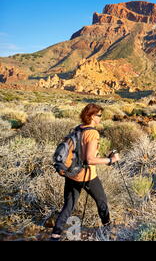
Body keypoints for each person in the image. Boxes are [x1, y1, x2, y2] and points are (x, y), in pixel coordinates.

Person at [51, 103, 120, 241]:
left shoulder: (78, 129)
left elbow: (80, 152)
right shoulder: (92, 132)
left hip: (71, 174)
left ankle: (55, 235)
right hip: (87, 176)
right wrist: (110, 160)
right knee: (102, 202)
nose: (101, 118)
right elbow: (89, 159)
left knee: (68, 206)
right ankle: (108, 230)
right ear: (92, 116)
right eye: (99, 115)